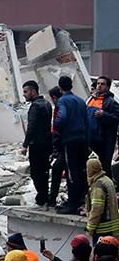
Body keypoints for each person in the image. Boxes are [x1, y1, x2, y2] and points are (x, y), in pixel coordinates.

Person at [54, 76, 89, 215]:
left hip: (70, 139)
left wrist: (57, 127)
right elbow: (86, 121)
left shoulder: (63, 100)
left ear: (59, 88)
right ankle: (81, 199)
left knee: (71, 172)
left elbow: (61, 118)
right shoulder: (81, 101)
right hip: (82, 139)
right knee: (81, 170)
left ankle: (72, 203)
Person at [20, 80, 53, 208]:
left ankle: (42, 196)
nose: (24, 94)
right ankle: (45, 195)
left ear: (33, 91)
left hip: (37, 145)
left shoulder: (35, 106)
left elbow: (31, 127)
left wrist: (25, 145)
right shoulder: (47, 104)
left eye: (25, 91)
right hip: (47, 143)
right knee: (44, 171)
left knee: (36, 172)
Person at [86, 76, 119, 177]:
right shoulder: (90, 100)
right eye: (98, 84)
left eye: (102, 84)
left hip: (104, 140)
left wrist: (104, 115)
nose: (99, 86)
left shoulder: (111, 102)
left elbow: (116, 118)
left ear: (108, 87)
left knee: (104, 167)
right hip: (91, 140)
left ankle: (108, 190)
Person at [85, 158, 119, 242]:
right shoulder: (107, 180)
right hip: (112, 226)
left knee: (100, 253)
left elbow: (97, 209)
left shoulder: (98, 185)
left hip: (102, 229)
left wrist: (90, 228)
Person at [48, 86, 66, 208]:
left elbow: (57, 127)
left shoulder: (61, 107)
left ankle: (52, 198)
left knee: (57, 169)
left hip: (65, 145)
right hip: (64, 146)